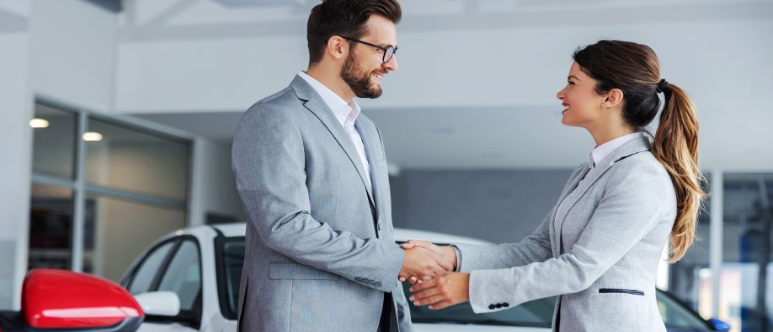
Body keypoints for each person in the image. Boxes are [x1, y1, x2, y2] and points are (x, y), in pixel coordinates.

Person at [406, 40, 705, 332]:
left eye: (573, 83)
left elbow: (579, 269)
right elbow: (540, 249)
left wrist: (472, 287)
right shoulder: (590, 170)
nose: (561, 93)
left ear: (610, 97)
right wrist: (452, 257)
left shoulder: (641, 175)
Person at [231, 1, 452, 331]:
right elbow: (285, 227)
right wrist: (398, 259)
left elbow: (379, 233)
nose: (392, 65)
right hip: (303, 320)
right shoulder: (273, 118)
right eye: (384, 50)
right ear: (337, 46)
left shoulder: (367, 130)